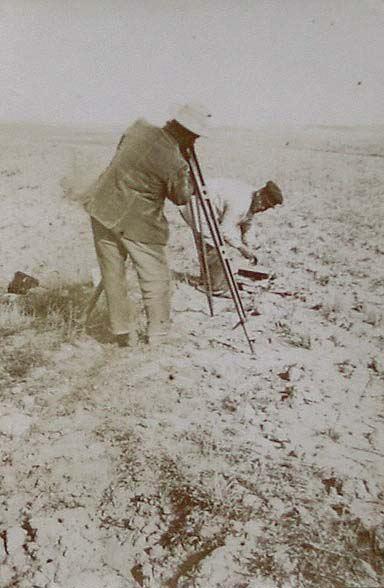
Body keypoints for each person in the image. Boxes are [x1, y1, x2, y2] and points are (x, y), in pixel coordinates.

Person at [83, 104, 212, 347]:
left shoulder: (138, 128)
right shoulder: (175, 162)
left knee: (112, 274)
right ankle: (158, 336)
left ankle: (123, 332)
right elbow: (182, 197)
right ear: (189, 134)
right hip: (138, 223)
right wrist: (188, 173)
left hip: (102, 207)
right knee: (156, 278)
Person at [180, 177, 283, 294]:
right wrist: (242, 248)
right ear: (260, 195)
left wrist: (249, 245)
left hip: (211, 209)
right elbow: (225, 230)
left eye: (268, 207)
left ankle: (208, 279)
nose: (263, 209)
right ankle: (215, 287)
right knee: (215, 243)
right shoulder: (241, 201)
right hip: (198, 205)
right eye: (265, 204)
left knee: (215, 244)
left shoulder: (253, 198)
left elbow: (247, 222)